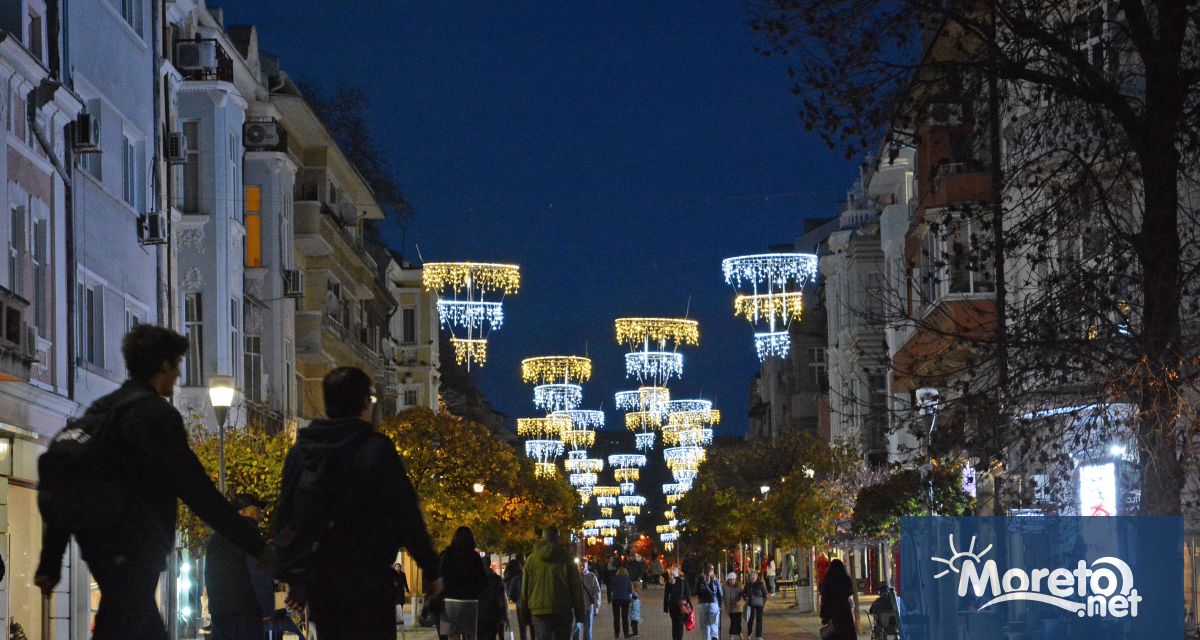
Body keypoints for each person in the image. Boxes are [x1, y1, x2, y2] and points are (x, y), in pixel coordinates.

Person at [34, 326, 267, 640]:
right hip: (133, 547)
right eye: (178, 364)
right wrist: (254, 544)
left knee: (134, 624)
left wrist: (50, 562)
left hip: (100, 546)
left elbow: (70, 482)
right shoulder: (155, 416)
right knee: (123, 622)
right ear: (165, 365)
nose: (179, 374)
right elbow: (198, 491)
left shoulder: (103, 410)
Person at [274, 366, 442, 640]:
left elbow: (286, 518)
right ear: (365, 404)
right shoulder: (376, 449)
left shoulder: (303, 452)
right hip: (369, 584)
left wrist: (296, 577)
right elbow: (406, 514)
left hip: (324, 586)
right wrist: (432, 570)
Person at [205, 494, 275, 640]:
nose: (260, 512)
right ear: (242, 512)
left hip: (220, 613)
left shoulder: (215, 538)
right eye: (256, 508)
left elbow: (209, 575)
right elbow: (258, 573)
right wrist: (267, 610)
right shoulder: (249, 534)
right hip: (246, 614)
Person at [518, 528, 586, 640]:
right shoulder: (567, 559)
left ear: (542, 540)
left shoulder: (531, 560)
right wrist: (580, 614)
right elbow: (576, 588)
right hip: (562, 609)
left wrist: (525, 615)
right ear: (558, 539)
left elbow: (525, 589)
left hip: (539, 611)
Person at [441, 526, 487, 640]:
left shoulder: (447, 554)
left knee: (452, 635)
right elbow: (483, 581)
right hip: (470, 601)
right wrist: (474, 592)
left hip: (449, 602)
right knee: (470, 635)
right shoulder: (475, 557)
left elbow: (438, 576)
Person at [819, 559, 858, 640]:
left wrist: (824, 616)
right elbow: (850, 592)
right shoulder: (846, 579)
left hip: (832, 614)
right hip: (844, 613)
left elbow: (825, 598)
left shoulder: (828, 580)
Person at [478, 556, 509, 640]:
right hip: (493, 615)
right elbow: (501, 599)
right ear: (490, 564)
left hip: (479, 616)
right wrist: (503, 616)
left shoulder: (476, 580)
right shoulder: (497, 579)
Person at [504, 555, 531, 640]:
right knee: (533, 627)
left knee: (522, 628)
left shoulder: (514, 578)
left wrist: (517, 600)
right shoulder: (528, 576)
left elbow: (510, 594)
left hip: (520, 605)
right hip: (531, 604)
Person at [695, 562, 723, 640]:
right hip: (713, 603)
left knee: (705, 627)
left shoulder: (700, 579)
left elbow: (696, 591)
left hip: (702, 604)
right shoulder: (715, 579)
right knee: (714, 625)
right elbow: (720, 594)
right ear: (712, 570)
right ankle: (714, 637)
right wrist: (719, 605)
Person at [663, 567, 692, 640]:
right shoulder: (683, 581)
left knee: (674, 624)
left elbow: (666, 596)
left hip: (672, 606)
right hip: (681, 606)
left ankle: (675, 638)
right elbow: (688, 595)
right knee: (680, 625)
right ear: (678, 573)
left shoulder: (669, 583)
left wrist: (665, 608)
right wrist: (690, 606)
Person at [580, 558, 602, 640]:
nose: (581, 567)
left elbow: (597, 592)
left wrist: (596, 606)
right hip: (576, 607)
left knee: (587, 630)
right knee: (575, 629)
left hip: (588, 606)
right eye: (580, 566)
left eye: (583, 566)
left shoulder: (592, 576)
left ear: (587, 566)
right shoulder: (574, 577)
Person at [610, 567, 633, 638]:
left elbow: (611, 588)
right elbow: (630, 590)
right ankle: (626, 634)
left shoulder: (614, 578)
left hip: (616, 598)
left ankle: (616, 634)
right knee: (625, 617)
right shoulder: (628, 579)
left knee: (616, 617)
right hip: (625, 599)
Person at [744, 571, 768, 640]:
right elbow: (743, 593)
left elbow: (765, 594)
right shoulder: (747, 585)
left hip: (759, 605)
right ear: (749, 577)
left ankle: (758, 636)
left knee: (759, 620)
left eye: (754, 576)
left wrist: (762, 602)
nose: (753, 577)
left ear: (757, 577)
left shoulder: (761, 584)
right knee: (750, 619)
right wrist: (745, 597)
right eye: (751, 576)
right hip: (750, 605)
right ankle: (749, 633)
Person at [722, 572, 744, 640]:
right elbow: (721, 595)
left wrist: (745, 596)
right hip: (730, 608)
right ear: (728, 580)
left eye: (733, 580)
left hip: (738, 607)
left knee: (738, 622)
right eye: (730, 580)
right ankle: (732, 636)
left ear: (735, 579)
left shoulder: (739, 586)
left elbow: (742, 593)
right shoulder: (725, 586)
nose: (732, 581)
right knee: (733, 622)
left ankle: (740, 634)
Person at [394, 563, 411, 628]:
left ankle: (400, 622)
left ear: (400, 567)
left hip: (401, 592)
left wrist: (408, 590)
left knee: (401, 606)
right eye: (396, 566)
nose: (397, 568)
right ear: (394, 567)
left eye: (399, 566)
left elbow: (405, 583)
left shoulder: (403, 574)